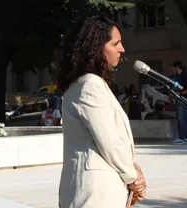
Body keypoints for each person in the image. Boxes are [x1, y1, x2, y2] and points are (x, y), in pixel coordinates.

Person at [57, 15, 146, 207]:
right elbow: (110, 141)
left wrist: (134, 169)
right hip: (95, 193)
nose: (122, 49)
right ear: (96, 48)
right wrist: (133, 178)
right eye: (116, 43)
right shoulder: (90, 86)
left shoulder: (88, 84)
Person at [171, 61, 187, 144]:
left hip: (185, 100)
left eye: (173, 68)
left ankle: (182, 137)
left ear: (177, 67)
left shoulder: (185, 76)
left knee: (182, 119)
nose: (172, 70)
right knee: (185, 119)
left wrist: (181, 93)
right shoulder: (177, 77)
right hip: (181, 100)